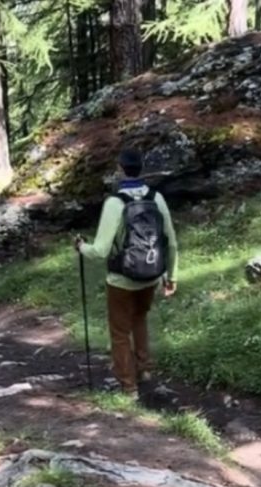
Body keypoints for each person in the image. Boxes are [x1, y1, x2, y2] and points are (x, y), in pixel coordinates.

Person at [75, 149, 178, 399]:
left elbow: (100, 251)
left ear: (120, 170)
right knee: (139, 319)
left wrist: (81, 247)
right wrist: (171, 276)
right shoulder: (156, 197)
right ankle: (144, 370)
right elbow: (171, 242)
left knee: (120, 332)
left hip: (121, 279)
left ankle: (128, 386)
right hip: (151, 274)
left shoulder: (115, 203)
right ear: (141, 168)